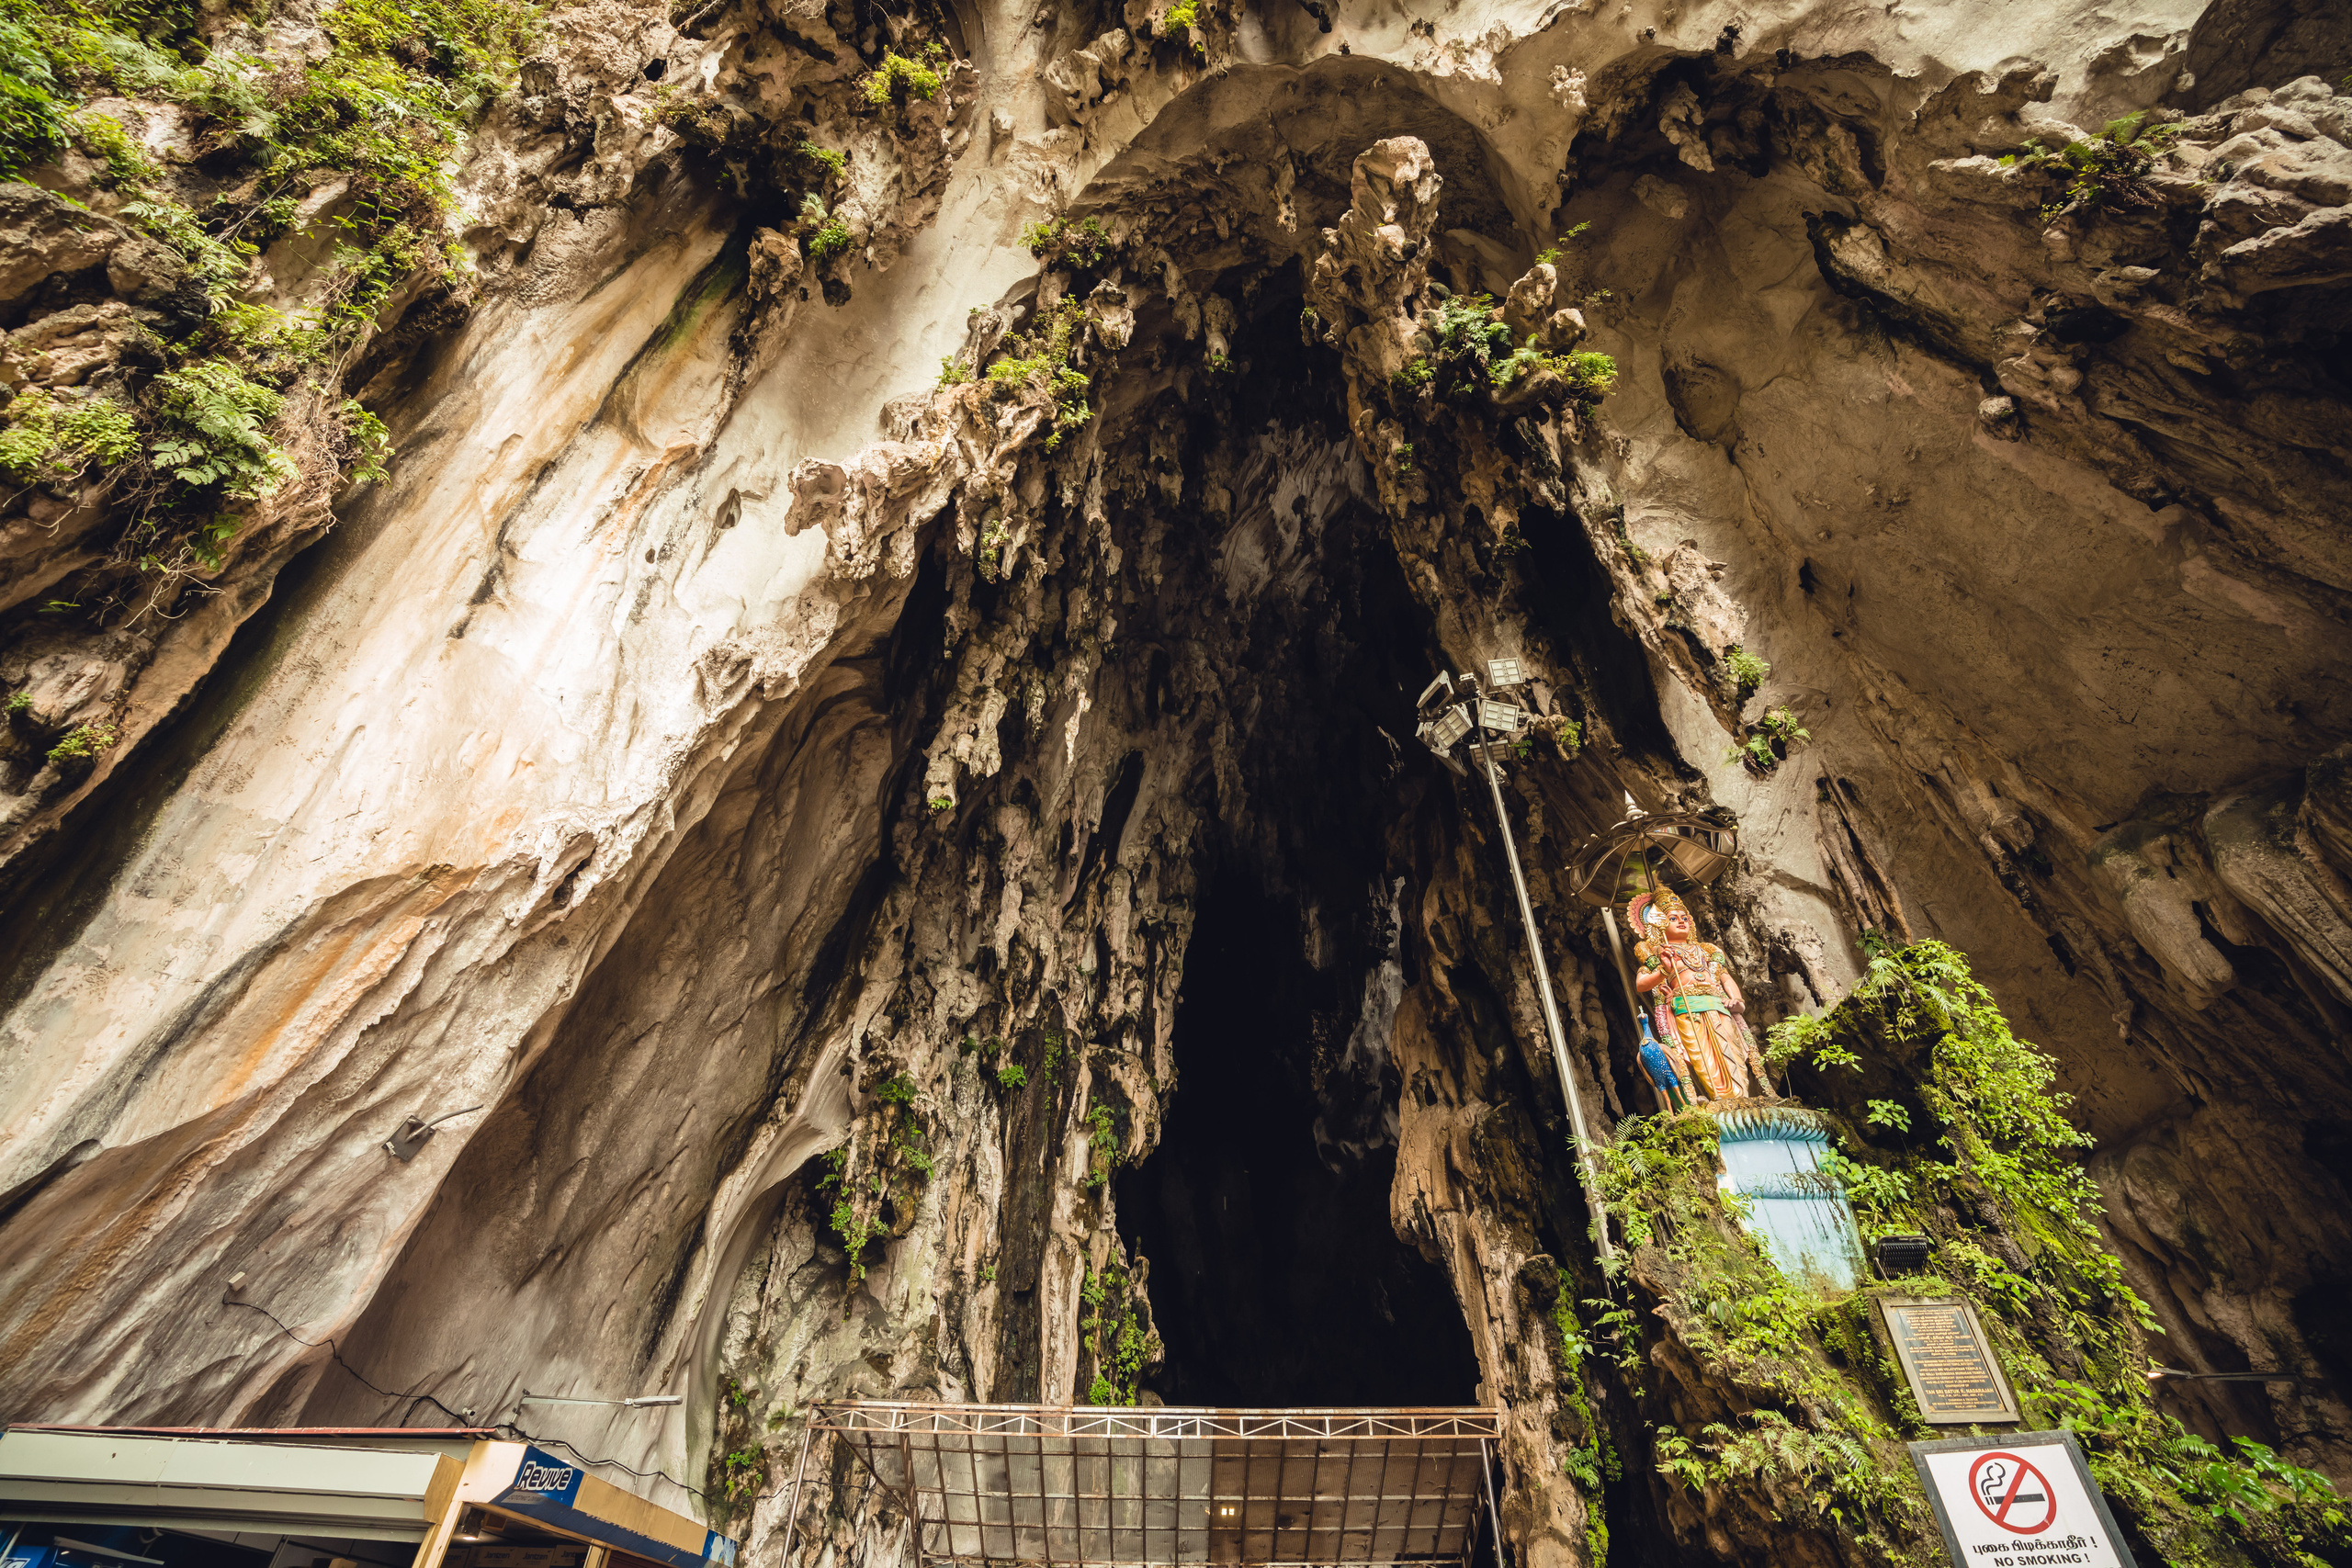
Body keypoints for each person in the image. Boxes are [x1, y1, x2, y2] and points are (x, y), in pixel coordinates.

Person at [1630, 888, 1770, 1100]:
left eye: (1685, 918)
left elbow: (1725, 978)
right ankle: (1721, 1097)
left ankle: (1742, 1095)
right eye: (1673, 918)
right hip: (1688, 1009)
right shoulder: (1659, 953)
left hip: (1718, 1005)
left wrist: (1737, 1001)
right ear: (1659, 924)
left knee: (1733, 1052)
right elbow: (1642, 984)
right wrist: (1664, 969)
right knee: (1703, 1055)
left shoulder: (1706, 950)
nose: (1681, 922)